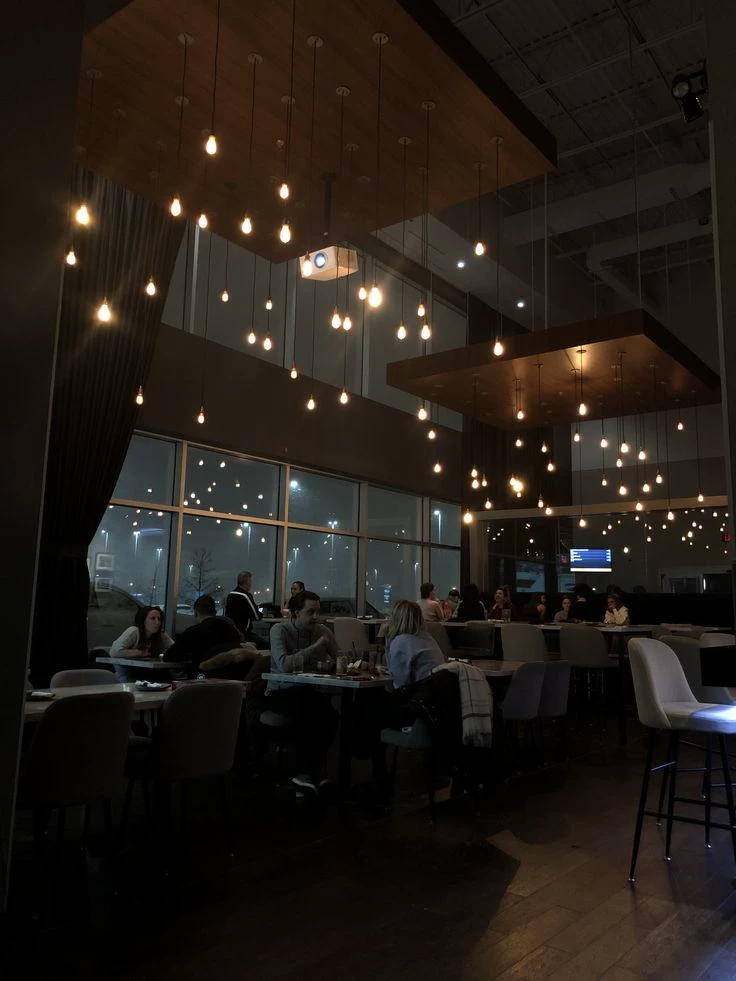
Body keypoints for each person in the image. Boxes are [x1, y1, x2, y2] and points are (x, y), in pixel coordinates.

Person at [266, 590, 340, 794]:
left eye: (318, 611)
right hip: (280, 691)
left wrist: (332, 663)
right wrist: (315, 648)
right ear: (296, 612)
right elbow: (284, 665)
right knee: (310, 712)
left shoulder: (322, 630)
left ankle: (311, 774)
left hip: (308, 691)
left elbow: (341, 659)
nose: (316, 617)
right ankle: (307, 773)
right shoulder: (279, 631)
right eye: (310, 612)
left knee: (331, 716)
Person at [167, 594, 243, 677]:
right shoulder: (230, 629)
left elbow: (170, 656)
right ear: (215, 612)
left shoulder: (193, 632)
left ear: (196, 613)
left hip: (202, 679)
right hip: (233, 678)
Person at [110, 605, 174, 682]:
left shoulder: (160, 635)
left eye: (159, 619)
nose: (157, 622)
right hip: (127, 674)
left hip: (148, 673)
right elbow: (114, 652)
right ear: (143, 620)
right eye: (153, 618)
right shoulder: (134, 631)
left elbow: (175, 648)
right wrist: (141, 653)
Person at [224, 571, 263, 645]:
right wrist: (262, 613)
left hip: (231, 634)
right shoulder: (246, 596)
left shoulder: (230, 595)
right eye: (250, 581)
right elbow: (257, 616)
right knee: (266, 645)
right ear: (248, 582)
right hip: (244, 635)